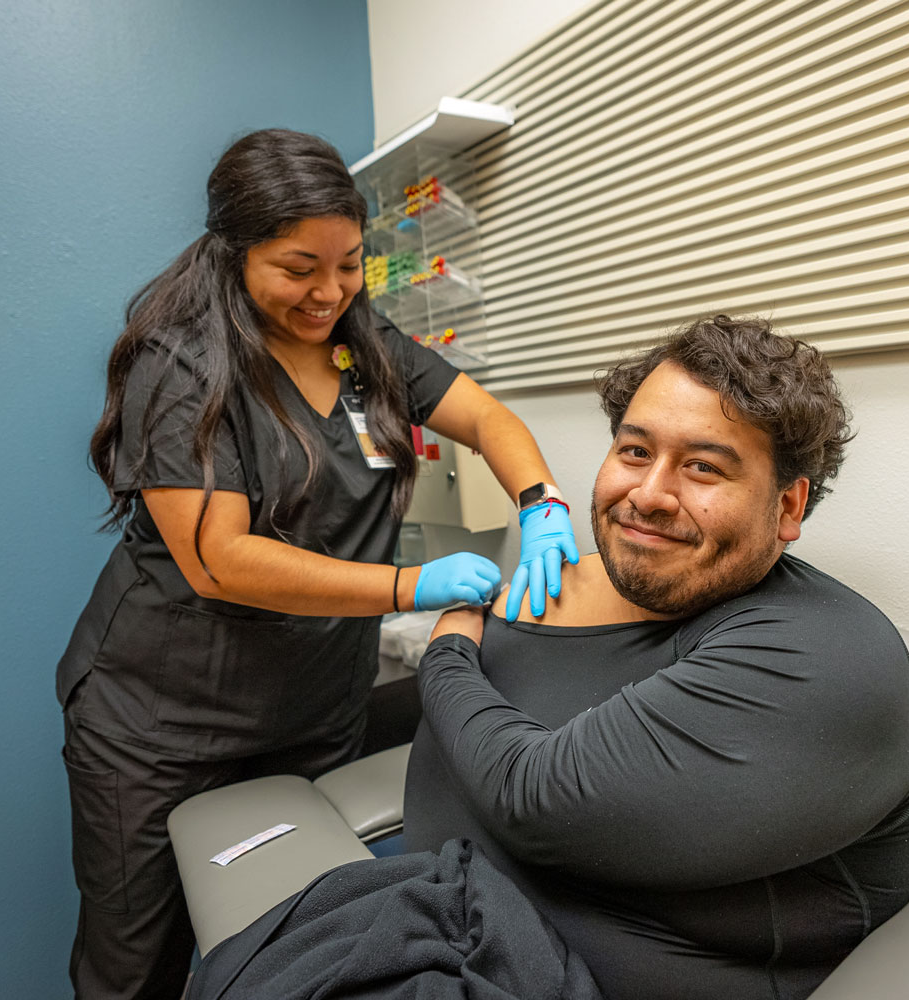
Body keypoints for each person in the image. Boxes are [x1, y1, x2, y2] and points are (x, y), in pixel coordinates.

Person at [56, 128, 577, 1000]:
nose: (329, 292)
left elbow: (489, 421)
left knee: (287, 952)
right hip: (160, 727)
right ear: (235, 251)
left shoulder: (364, 349)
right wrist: (413, 586)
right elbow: (221, 560)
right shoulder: (182, 366)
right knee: (132, 971)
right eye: (300, 268)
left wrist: (543, 503)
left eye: (350, 264)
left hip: (309, 713)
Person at [405, 315, 909, 1000]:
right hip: (436, 911)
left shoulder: (826, 657)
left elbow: (530, 797)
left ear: (788, 506)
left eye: (703, 467)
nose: (648, 495)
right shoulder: (615, 587)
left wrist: (446, 646)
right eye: (633, 452)